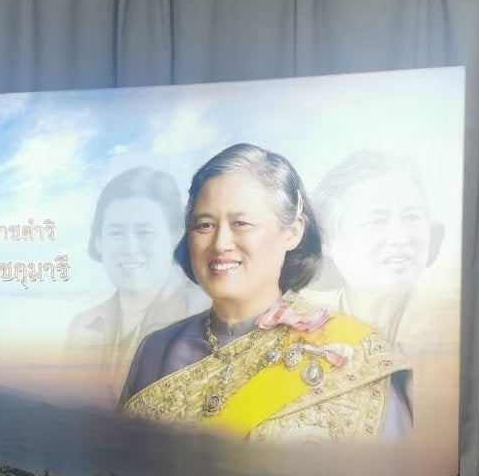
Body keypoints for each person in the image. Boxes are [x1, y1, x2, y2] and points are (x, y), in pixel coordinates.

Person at [119, 143, 411, 443]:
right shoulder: (156, 350)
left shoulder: (353, 351)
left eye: (241, 223)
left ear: (292, 232)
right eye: (204, 225)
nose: (220, 243)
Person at [65, 167, 208, 406]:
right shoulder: (83, 326)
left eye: (144, 232)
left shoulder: (209, 316)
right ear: (98, 241)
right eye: (116, 233)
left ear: (175, 235)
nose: (130, 249)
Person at [309, 149, 445, 349]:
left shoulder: (451, 330)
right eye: (377, 221)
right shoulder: (303, 334)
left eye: (412, 217)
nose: (400, 238)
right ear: (327, 240)